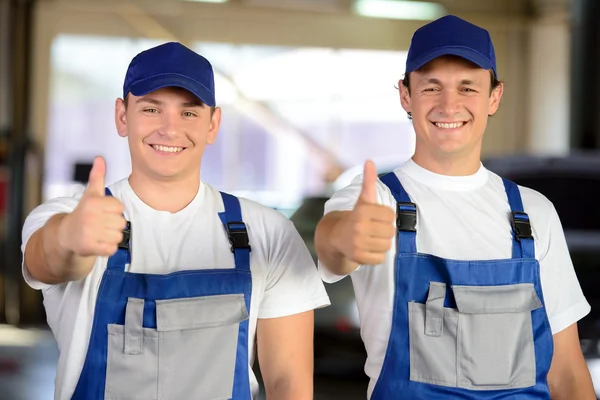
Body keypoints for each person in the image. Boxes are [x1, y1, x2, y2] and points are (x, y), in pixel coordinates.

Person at [21, 41, 330, 400]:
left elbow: (289, 384)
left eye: (189, 113)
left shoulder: (268, 233)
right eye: (152, 109)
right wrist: (69, 238)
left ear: (213, 124)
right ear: (123, 116)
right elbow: (47, 261)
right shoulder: (66, 216)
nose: (169, 129)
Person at [315, 15, 595, 400]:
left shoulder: (533, 214)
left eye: (468, 87)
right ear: (405, 95)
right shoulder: (375, 202)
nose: (450, 104)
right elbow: (332, 245)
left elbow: (566, 372)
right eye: (432, 87)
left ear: (494, 97)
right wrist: (346, 237)